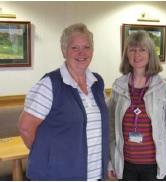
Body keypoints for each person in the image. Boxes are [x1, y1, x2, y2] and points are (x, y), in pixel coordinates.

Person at [17, 23, 109, 180]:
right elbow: (25, 128)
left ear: (92, 51)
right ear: (64, 51)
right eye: (75, 47)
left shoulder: (96, 82)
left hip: (93, 174)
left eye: (86, 47)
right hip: (58, 175)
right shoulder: (50, 84)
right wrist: (50, 157)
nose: (82, 53)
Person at [107, 31, 166, 180]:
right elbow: (112, 128)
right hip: (126, 166)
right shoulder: (118, 86)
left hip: (156, 166)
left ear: (150, 53)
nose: (136, 54)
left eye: (142, 49)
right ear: (126, 54)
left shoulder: (163, 87)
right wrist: (111, 162)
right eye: (132, 49)